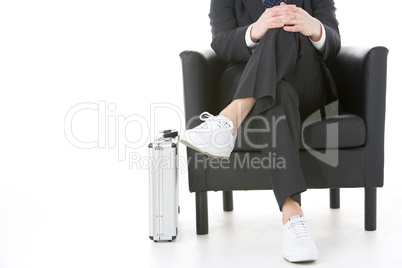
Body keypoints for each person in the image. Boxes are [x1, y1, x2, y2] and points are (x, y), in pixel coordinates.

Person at [180, 0, 340, 263]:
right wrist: (256, 30)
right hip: (247, 74)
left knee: (284, 25)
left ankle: (229, 119)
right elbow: (221, 43)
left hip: (306, 81)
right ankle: (293, 215)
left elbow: (333, 42)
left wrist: (314, 28)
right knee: (278, 92)